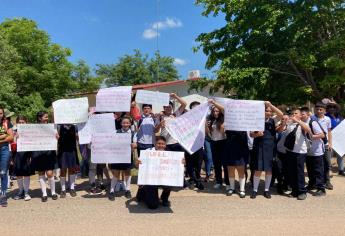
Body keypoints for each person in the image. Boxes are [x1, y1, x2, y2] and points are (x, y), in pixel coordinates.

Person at [250, 101, 283, 199]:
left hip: (270, 147)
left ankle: (266, 190)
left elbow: (281, 114)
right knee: (258, 169)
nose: (268, 112)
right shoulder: (256, 120)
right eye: (266, 110)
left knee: (269, 170)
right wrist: (257, 134)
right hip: (259, 147)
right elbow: (251, 134)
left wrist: (270, 105)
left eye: (269, 111)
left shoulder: (273, 120)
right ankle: (255, 190)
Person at [136, 136, 179, 209]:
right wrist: (138, 163)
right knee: (153, 206)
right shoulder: (147, 152)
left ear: (165, 145)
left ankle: (164, 198)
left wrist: (181, 162)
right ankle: (142, 191)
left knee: (170, 182)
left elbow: (176, 166)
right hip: (150, 180)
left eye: (163, 144)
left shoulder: (169, 154)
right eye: (159, 143)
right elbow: (138, 166)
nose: (161, 145)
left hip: (162, 178)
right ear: (155, 144)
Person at [30, 111, 58, 202]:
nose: (47, 119)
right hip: (38, 152)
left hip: (49, 151)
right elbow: (29, 137)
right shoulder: (34, 128)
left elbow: (56, 136)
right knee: (41, 172)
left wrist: (57, 136)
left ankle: (53, 192)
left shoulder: (51, 126)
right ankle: (44, 193)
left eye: (47, 117)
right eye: (45, 117)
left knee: (50, 173)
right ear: (39, 118)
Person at [284, 108, 311, 200]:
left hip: (300, 151)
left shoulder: (304, 124)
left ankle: (302, 191)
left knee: (299, 172)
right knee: (292, 171)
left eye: (296, 113)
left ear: (300, 115)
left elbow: (308, 129)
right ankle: (294, 190)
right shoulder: (290, 124)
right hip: (290, 151)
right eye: (293, 113)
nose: (294, 114)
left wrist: (298, 121)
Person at [108, 116, 137, 201]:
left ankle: (127, 190)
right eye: (124, 122)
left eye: (127, 123)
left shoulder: (133, 133)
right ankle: (111, 191)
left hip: (127, 156)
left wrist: (134, 145)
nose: (125, 124)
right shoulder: (115, 132)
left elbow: (135, 143)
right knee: (116, 174)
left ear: (130, 123)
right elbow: (110, 142)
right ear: (121, 123)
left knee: (128, 173)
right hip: (117, 156)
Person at [302, 107, 326, 197]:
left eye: (303, 114)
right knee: (310, 169)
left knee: (318, 170)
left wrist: (311, 135)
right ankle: (312, 184)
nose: (301, 116)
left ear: (308, 114)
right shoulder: (303, 122)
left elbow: (322, 135)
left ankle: (321, 188)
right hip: (308, 151)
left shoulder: (313, 122)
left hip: (317, 150)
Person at [206, 101, 230, 191]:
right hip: (214, 142)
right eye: (214, 111)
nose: (215, 113)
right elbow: (208, 133)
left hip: (223, 142)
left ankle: (227, 183)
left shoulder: (224, 119)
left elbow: (223, 134)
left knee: (225, 164)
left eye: (217, 111)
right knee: (216, 164)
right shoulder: (210, 120)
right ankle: (219, 181)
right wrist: (207, 126)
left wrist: (213, 102)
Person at [312, 102, 333, 190]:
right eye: (317, 109)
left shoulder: (327, 119)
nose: (319, 111)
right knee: (317, 164)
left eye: (321, 109)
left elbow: (329, 132)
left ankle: (327, 181)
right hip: (316, 145)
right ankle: (315, 182)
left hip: (325, 144)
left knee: (327, 162)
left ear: (324, 110)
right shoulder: (312, 119)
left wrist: (330, 143)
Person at [184, 101, 205, 190]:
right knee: (189, 164)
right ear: (191, 109)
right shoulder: (186, 119)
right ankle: (192, 179)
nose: (196, 109)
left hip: (199, 145)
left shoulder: (203, 118)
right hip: (188, 144)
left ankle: (198, 180)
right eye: (194, 108)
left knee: (198, 164)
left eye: (198, 107)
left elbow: (207, 132)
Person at [13, 116, 34, 201]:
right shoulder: (14, 132)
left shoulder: (30, 132)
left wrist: (31, 157)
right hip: (17, 155)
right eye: (19, 122)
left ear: (26, 122)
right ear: (17, 123)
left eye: (23, 122)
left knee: (26, 174)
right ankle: (20, 192)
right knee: (18, 174)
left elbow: (33, 144)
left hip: (27, 155)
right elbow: (12, 147)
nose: (21, 124)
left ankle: (26, 192)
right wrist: (15, 138)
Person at [57, 124, 79, 198]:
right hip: (62, 151)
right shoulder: (59, 127)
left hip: (72, 150)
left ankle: (72, 188)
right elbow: (56, 138)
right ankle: (63, 189)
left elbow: (78, 138)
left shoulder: (74, 127)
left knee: (72, 169)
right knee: (63, 170)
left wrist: (78, 136)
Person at [325, 101, 344, 175]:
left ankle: (341, 170)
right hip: (329, 139)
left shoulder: (339, 117)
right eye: (330, 107)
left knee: (341, 155)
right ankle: (329, 169)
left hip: (339, 139)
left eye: (334, 107)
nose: (332, 108)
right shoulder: (325, 116)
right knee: (329, 155)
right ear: (327, 108)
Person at [0, 107, 14, 207]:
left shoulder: (7, 123)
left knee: (3, 173)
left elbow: (11, 137)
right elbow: (7, 136)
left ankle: (3, 195)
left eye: (0, 113)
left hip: (4, 149)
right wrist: (4, 136)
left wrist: (2, 139)